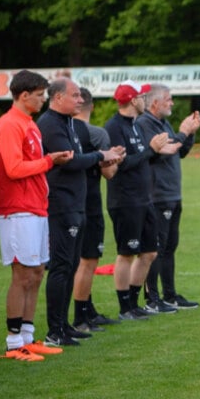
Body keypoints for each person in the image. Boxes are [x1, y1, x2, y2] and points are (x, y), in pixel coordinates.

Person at [0, 70, 72, 361]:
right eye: (39, 95)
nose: (43, 100)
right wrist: (49, 160)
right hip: (18, 210)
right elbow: (14, 169)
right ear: (24, 95)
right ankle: (14, 343)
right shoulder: (9, 124)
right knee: (22, 274)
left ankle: (27, 336)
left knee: (37, 272)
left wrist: (49, 161)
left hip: (36, 207)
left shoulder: (29, 123)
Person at [38, 78, 125, 345]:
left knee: (72, 264)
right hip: (61, 205)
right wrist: (101, 156)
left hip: (77, 203)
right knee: (62, 267)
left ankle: (64, 325)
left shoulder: (71, 124)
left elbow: (76, 158)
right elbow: (71, 162)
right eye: (74, 95)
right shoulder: (50, 124)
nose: (80, 100)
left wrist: (103, 155)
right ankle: (54, 330)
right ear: (57, 98)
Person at [105, 81, 181, 320]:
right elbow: (123, 163)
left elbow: (143, 157)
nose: (143, 100)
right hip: (125, 199)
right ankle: (125, 306)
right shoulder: (115, 127)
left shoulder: (135, 125)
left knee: (149, 252)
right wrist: (151, 150)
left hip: (145, 198)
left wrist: (151, 150)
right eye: (140, 98)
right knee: (126, 253)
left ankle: (135, 301)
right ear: (133, 101)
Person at [136, 84, 200, 312]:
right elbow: (163, 150)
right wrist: (183, 132)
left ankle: (170, 295)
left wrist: (189, 133)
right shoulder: (144, 124)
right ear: (155, 103)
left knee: (169, 246)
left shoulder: (162, 123)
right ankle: (152, 298)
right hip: (157, 195)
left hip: (173, 193)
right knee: (157, 247)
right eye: (168, 99)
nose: (172, 103)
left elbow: (180, 150)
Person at [72, 88, 123, 329]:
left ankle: (87, 309)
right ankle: (81, 316)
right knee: (89, 259)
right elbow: (108, 172)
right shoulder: (96, 133)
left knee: (77, 261)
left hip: (67, 202)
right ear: (90, 106)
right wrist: (116, 160)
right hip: (89, 203)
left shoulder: (64, 130)